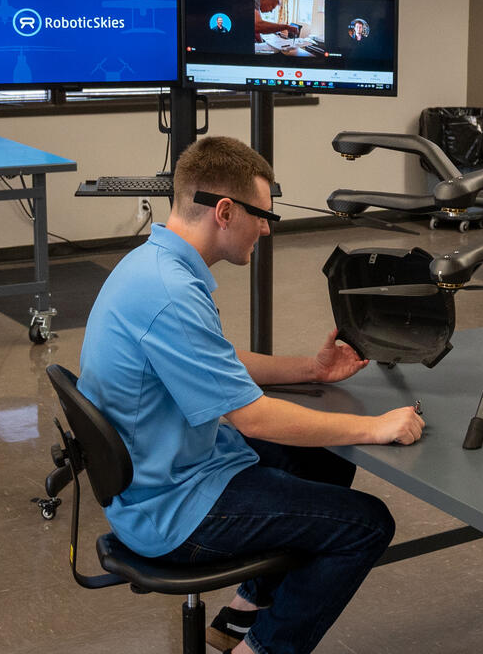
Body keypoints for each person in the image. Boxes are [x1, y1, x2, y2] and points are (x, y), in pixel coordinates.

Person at [76, 136, 425, 654]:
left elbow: (222, 362)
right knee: (365, 524)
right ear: (223, 210)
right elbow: (253, 419)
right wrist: (378, 426)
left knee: (325, 459)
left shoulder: (152, 266)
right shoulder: (169, 293)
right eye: (262, 214)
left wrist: (313, 369)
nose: (265, 227)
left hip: (168, 470)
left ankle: (245, 611)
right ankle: (259, 650)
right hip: (171, 508)